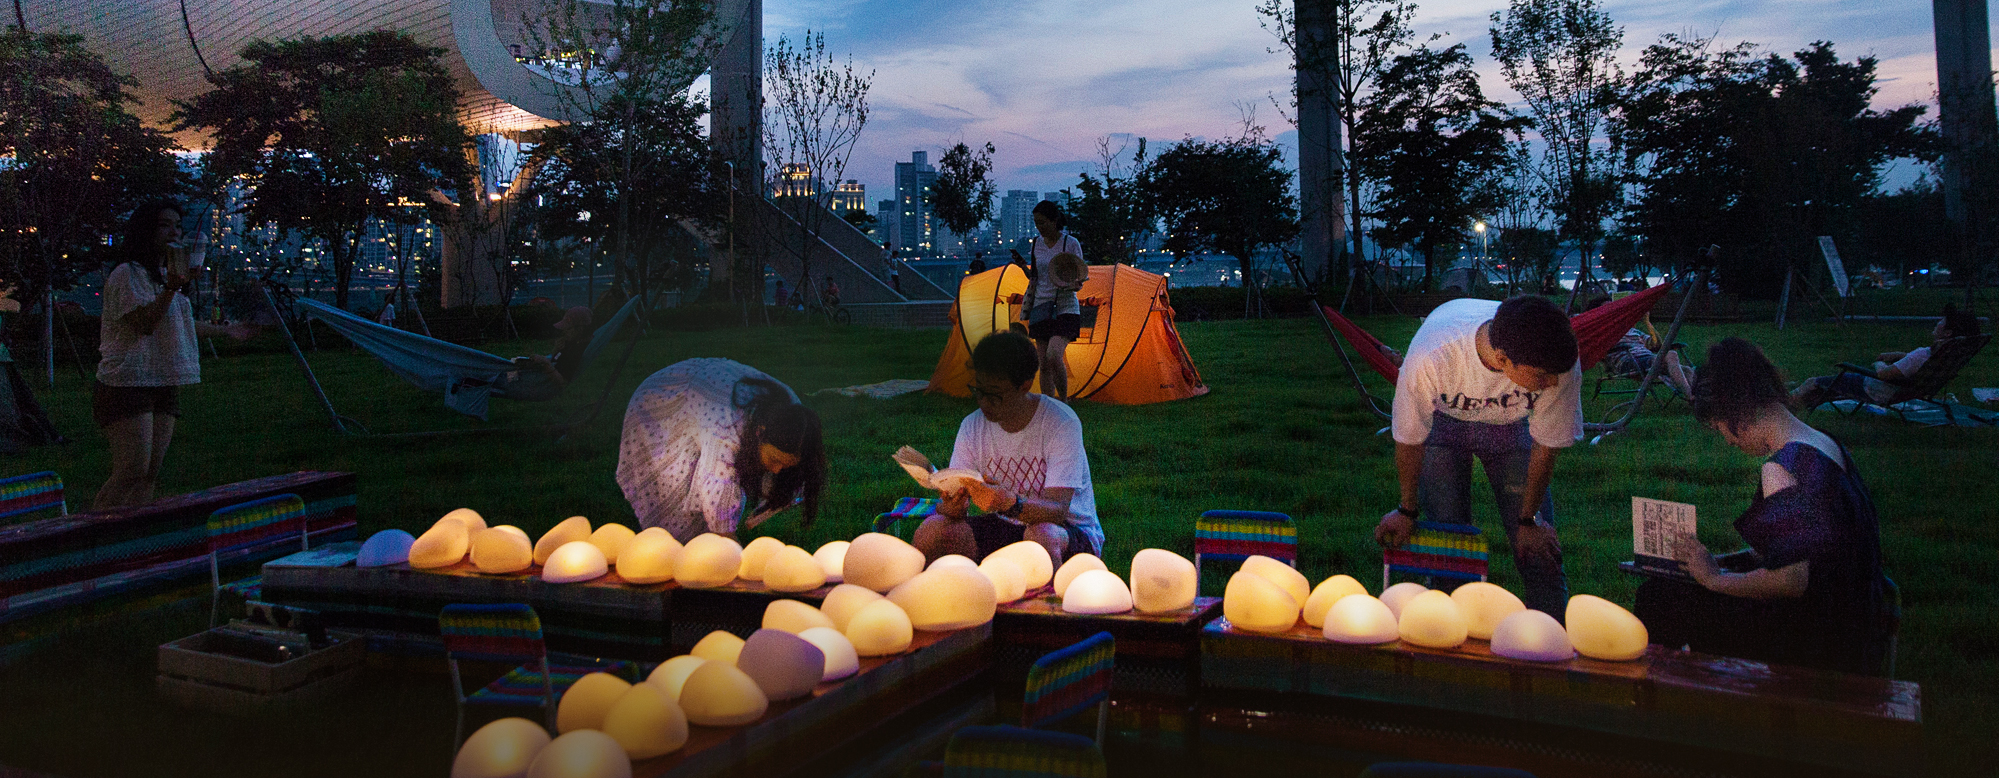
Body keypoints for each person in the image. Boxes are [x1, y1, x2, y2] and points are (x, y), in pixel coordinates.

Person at [1636, 338, 1889, 675]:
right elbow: (1813, 545)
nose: (1727, 440)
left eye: (1719, 428)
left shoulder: (1782, 466)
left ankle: (1667, 699)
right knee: (1678, 590)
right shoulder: (1824, 442)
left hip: (1819, 639)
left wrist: (1714, 578)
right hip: (1858, 620)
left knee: (1659, 598)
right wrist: (1725, 562)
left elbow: (1790, 580)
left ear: (1734, 413)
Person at [1372, 295, 1583, 618]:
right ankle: (1452, 634)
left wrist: (1529, 520)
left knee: (1540, 552)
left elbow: (1545, 446)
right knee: (1450, 548)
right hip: (1443, 422)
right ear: (1501, 359)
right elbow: (1410, 439)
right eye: (1541, 376)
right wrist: (1407, 509)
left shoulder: (1555, 358)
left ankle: (1552, 636)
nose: (1551, 383)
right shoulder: (1433, 356)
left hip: (1511, 425)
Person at [93, 201, 257, 509]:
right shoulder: (127, 274)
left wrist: (225, 331)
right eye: (166, 224)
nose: (175, 231)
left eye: (178, 225)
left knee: (150, 474)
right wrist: (170, 288)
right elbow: (144, 323)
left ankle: (135, 540)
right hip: (127, 381)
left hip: (163, 379)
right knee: (131, 470)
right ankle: (91, 537)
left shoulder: (164, 275)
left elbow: (176, 321)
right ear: (146, 230)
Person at [914, 331, 1101, 565]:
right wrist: (953, 507)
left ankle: (1045, 600)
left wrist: (1009, 502)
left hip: (1065, 531)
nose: (984, 402)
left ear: (1025, 385)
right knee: (932, 530)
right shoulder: (973, 426)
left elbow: (1058, 510)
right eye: (979, 391)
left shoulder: (1060, 422)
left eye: (995, 394)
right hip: (1005, 524)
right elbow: (957, 505)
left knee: (1040, 538)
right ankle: (937, 595)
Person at [616, 358, 826, 541]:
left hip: (710, 392)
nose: (778, 470)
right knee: (679, 520)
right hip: (664, 399)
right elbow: (721, 506)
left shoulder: (794, 419)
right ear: (760, 432)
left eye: (786, 463)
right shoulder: (726, 432)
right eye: (775, 460)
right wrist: (730, 553)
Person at [1791, 305, 1982, 409]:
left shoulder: (1920, 356)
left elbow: (1884, 375)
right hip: (1903, 391)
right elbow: (1917, 363)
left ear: (1947, 333)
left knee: (1813, 382)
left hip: (1876, 389)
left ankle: (1783, 402)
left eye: (1942, 322)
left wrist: (1879, 363)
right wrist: (1899, 355)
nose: (1937, 323)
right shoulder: (1940, 355)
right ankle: (1801, 403)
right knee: (1828, 390)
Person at [1020, 200, 1085, 403]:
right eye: (1036, 223)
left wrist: (1073, 284)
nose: (1039, 227)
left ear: (1054, 220)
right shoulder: (1036, 243)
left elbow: (1080, 276)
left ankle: (1064, 401)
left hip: (1065, 305)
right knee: (1043, 363)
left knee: (1053, 355)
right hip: (1041, 305)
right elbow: (1036, 276)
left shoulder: (1070, 243)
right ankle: (1049, 404)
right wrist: (1023, 267)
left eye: (1043, 223)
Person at [1586, 297, 1695, 396]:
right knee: (1671, 354)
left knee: (1688, 370)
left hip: (1646, 359)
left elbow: (1656, 344)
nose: (1612, 310)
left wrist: (1647, 322)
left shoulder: (1630, 329)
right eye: (1607, 308)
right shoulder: (1601, 332)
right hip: (1628, 362)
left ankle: (1697, 398)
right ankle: (1690, 396)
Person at [488, 306, 593, 402]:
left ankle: (486, 380)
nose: (564, 332)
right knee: (505, 373)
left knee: (502, 377)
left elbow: (563, 383)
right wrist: (555, 351)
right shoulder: (571, 344)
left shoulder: (576, 352)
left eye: (567, 329)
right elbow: (556, 360)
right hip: (536, 375)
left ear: (580, 329)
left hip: (540, 381)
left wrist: (546, 363)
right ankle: (489, 378)